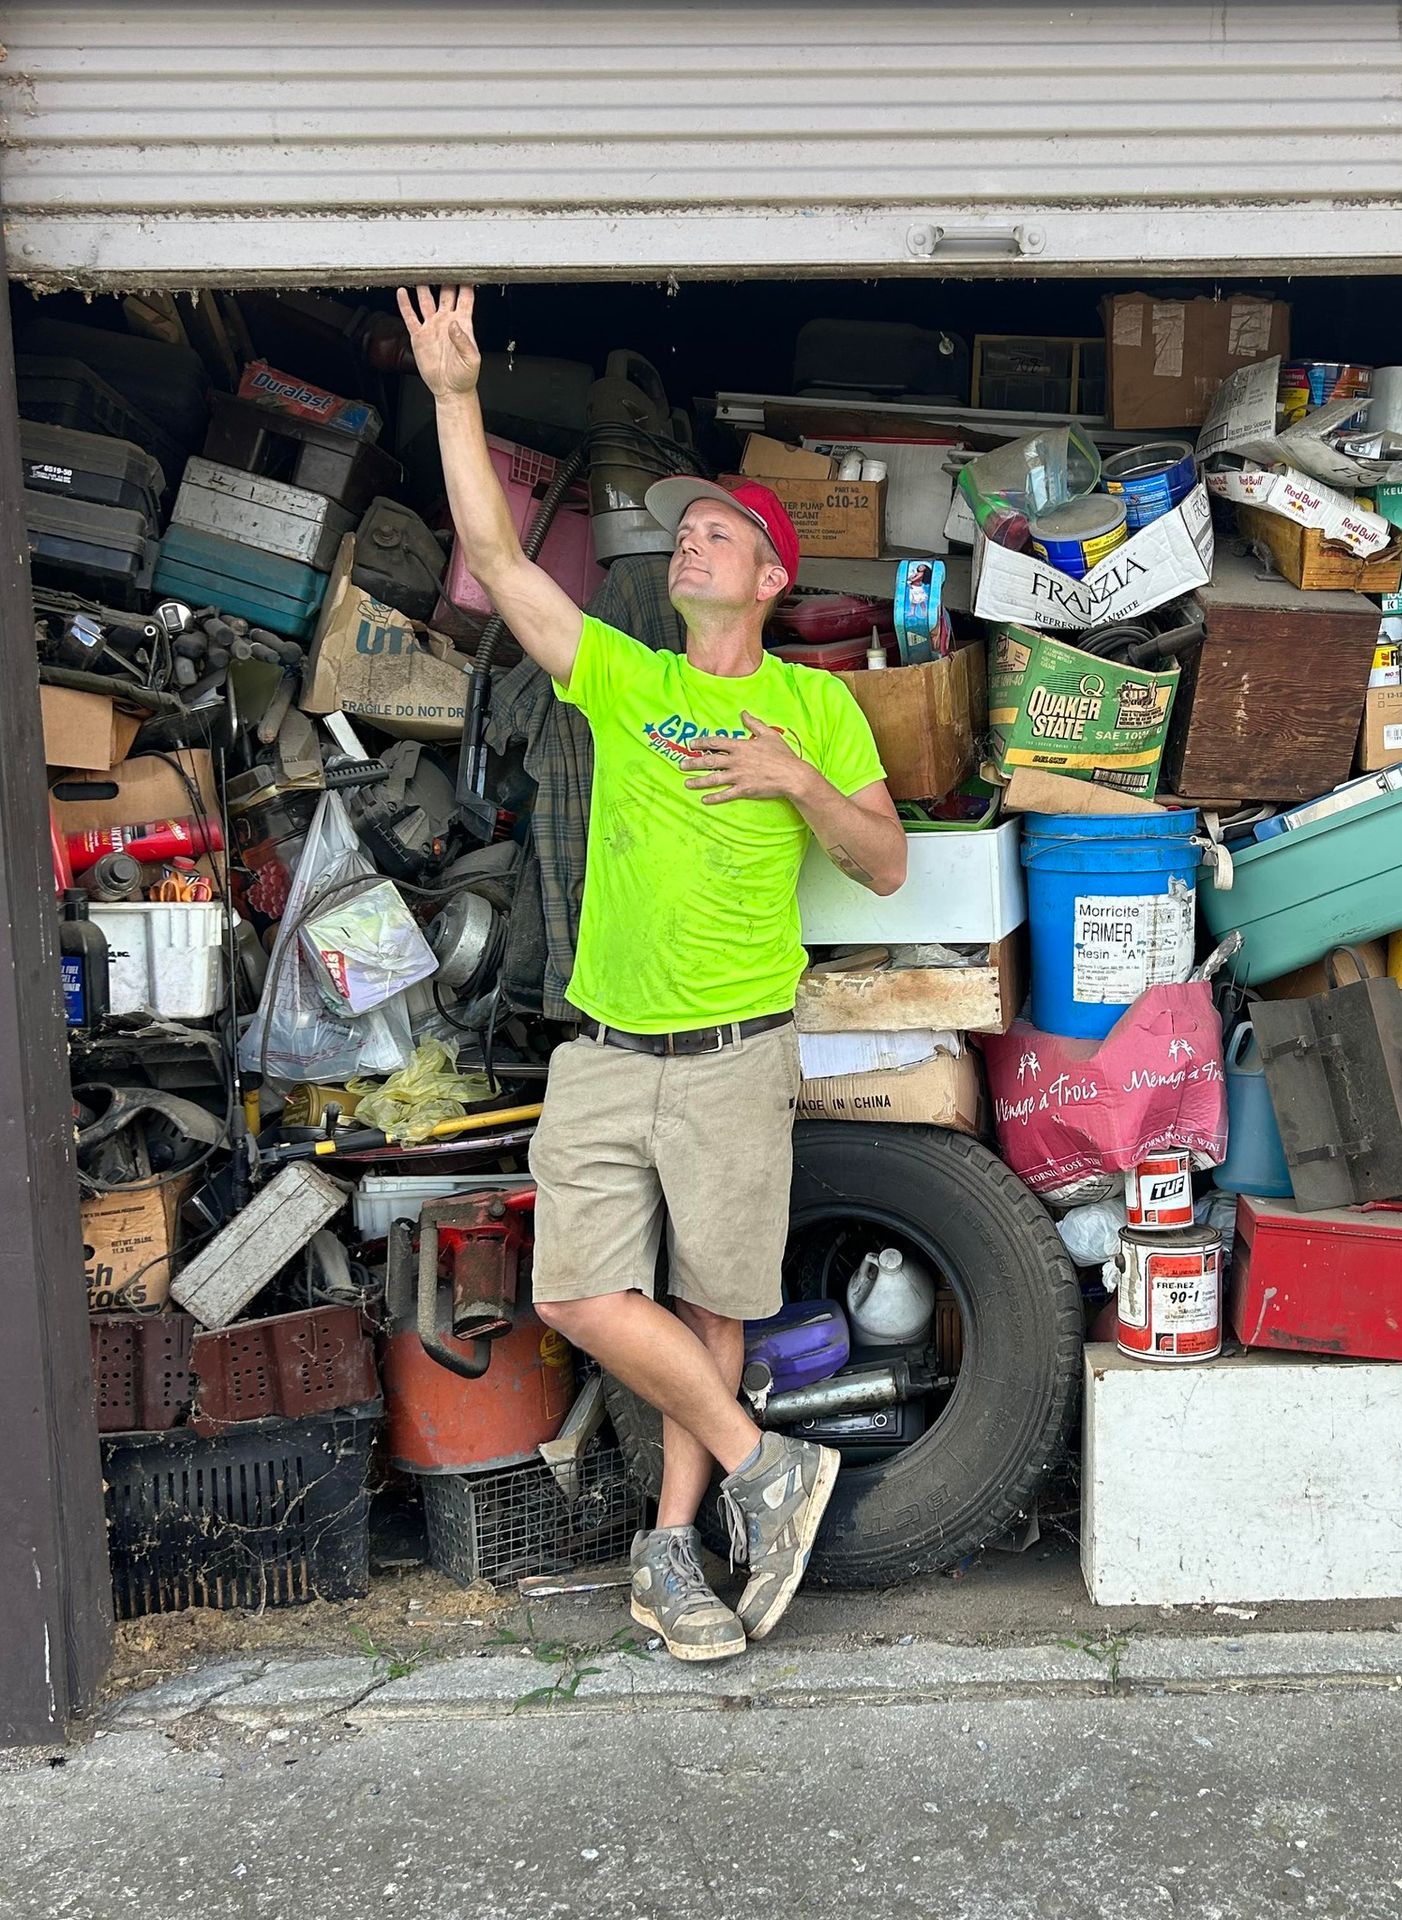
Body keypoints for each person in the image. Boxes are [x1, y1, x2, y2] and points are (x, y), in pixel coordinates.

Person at [399, 285, 908, 1663]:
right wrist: (457, 398)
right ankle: (771, 1470)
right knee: (574, 1294)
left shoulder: (814, 707)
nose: (691, 536)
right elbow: (502, 564)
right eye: (685, 526)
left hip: (738, 1053)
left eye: (721, 531)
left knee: (711, 1311)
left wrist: (795, 778)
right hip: (609, 1050)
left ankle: (674, 1560)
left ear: (770, 577)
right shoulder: (624, 678)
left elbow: (885, 866)